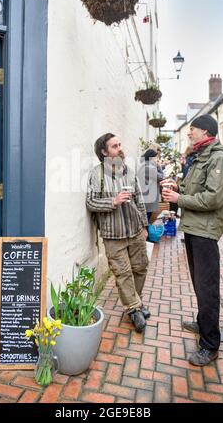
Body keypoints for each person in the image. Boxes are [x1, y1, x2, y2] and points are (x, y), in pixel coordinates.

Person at [162, 114, 223, 366]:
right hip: (194, 228)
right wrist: (176, 190)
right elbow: (195, 192)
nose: (189, 134)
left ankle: (210, 344)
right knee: (198, 283)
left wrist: (178, 199)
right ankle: (203, 324)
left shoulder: (219, 158)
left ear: (205, 132)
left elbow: (212, 199)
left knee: (207, 288)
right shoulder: (201, 156)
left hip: (205, 232)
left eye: (192, 130)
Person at [86, 133, 150, 333]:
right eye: (115, 146)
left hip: (135, 231)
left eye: (120, 144)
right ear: (105, 152)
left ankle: (135, 303)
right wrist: (113, 201)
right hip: (113, 235)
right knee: (123, 273)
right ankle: (133, 309)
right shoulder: (96, 175)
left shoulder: (129, 172)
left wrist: (145, 226)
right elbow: (90, 202)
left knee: (140, 268)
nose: (120, 149)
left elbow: (139, 200)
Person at [137, 148, 163, 224]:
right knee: (146, 221)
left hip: (144, 196)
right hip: (148, 198)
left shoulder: (143, 165)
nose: (157, 159)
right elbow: (161, 177)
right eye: (156, 157)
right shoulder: (149, 167)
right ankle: (147, 235)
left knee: (145, 220)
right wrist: (159, 166)